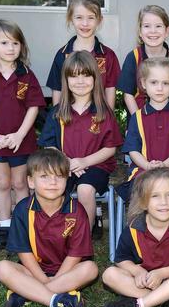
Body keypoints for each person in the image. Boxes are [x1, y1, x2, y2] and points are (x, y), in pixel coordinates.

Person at [0, 19, 46, 249]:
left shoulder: (27, 75)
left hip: (21, 141)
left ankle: (23, 226)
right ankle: (4, 226)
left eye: (15, 43)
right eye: (4, 42)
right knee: (3, 183)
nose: (10, 48)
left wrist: (21, 134)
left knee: (21, 182)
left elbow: (34, 107)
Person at [0, 149, 97, 307]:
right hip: (33, 270)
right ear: (31, 182)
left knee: (91, 269)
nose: (53, 182)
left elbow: (76, 255)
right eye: (44, 176)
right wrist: (42, 278)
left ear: (67, 178)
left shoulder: (77, 211)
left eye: (59, 176)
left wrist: (57, 278)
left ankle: (26, 293)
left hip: (68, 271)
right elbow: (23, 252)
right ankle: (57, 300)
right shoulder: (22, 210)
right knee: (1, 268)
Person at [39, 51, 123, 238]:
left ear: (95, 78)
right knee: (51, 188)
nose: (80, 81)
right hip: (64, 166)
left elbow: (110, 148)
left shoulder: (103, 112)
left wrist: (84, 162)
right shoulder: (58, 111)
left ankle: (83, 239)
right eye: (74, 76)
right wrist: (66, 162)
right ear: (66, 80)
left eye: (86, 75)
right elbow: (49, 145)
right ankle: (53, 235)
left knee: (85, 189)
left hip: (95, 166)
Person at [102, 168, 169, 307]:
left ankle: (138, 305)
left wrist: (162, 273)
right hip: (143, 282)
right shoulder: (134, 227)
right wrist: (137, 271)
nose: (164, 202)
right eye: (155, 196)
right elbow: (121, 259)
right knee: (109, 275)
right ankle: (168, 301)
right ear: (143, 202)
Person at [119, 57, 169, 203]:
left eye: (165, 83)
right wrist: (147, 165)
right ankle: (141, 225)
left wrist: (165, 165)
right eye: (154, 82)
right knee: (145, 190)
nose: (159, 88)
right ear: (143, 84)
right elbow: (133, 150)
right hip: (143, 172)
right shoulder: (138, 117)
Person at [47, 0, 120, 108]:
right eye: (79, 17)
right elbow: (57, 89)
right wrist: (57, 122)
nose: (85, 23)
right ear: (71, 19)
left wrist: (109, 119)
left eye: (91, 18)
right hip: (70, 121)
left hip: (99, 121)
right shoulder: (62, 54)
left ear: (99, 20)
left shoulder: (108, 55)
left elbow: (110, 89)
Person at [117, 5, 169, 115]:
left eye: (158, 26)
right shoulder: (133, 57)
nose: (153, 31)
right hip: (139, 119)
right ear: (139, 31)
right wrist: (138, 122)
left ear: (167, 31)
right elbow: (128, 95)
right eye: (147, 26)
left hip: (167, 121)